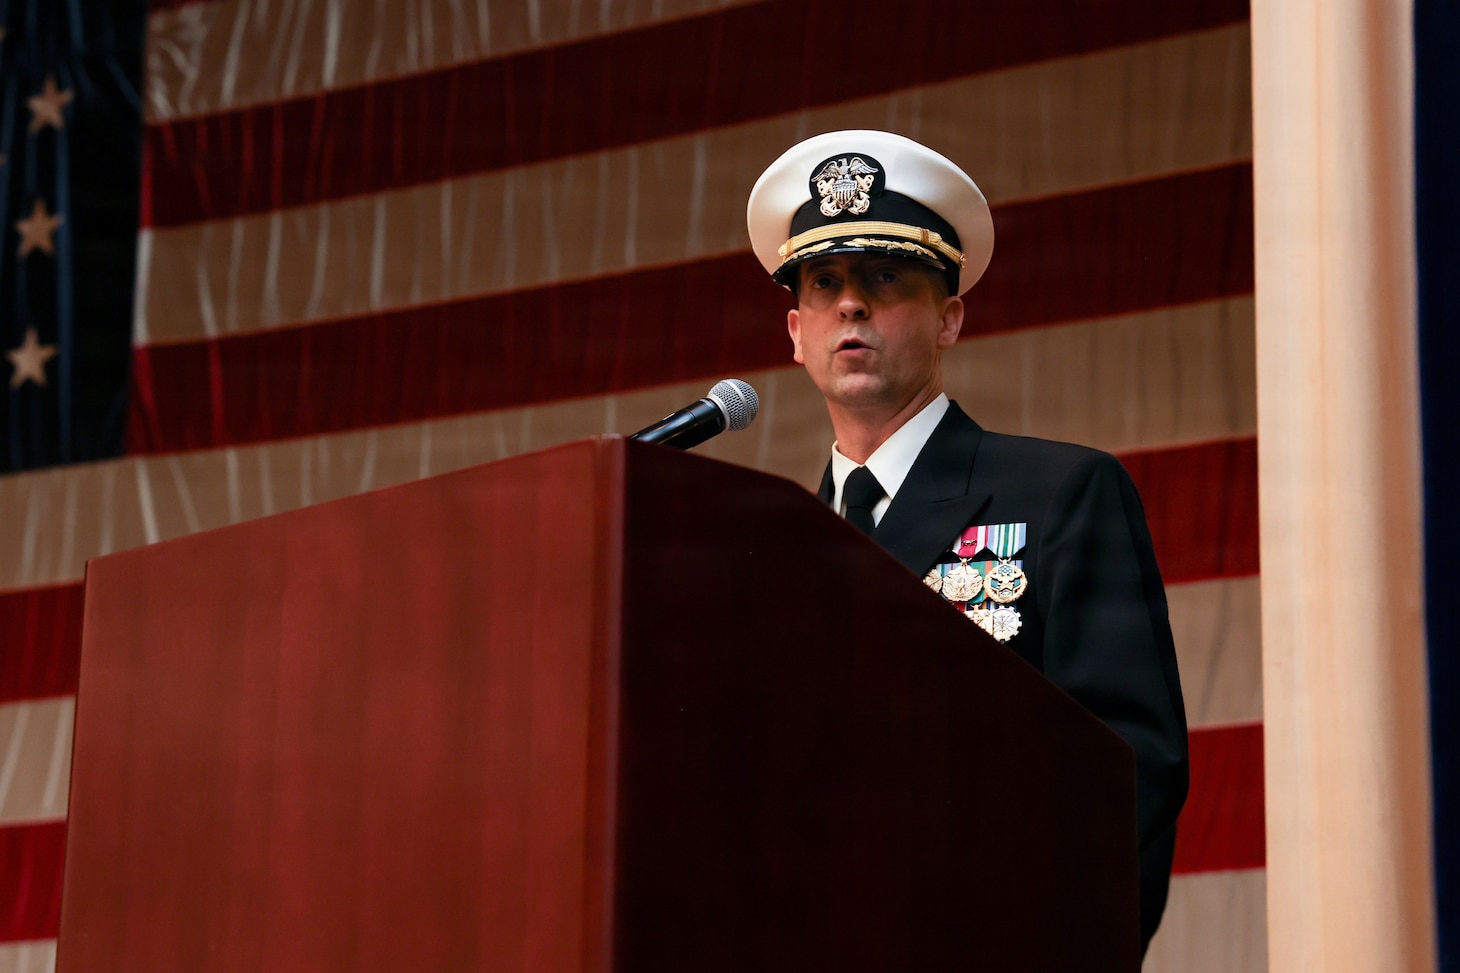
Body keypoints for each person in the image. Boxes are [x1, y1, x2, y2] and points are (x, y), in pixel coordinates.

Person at [746, 130, 1189, 953]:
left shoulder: (1063, 495)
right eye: (826, 282)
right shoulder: (771, 561)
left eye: (885, 278)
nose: (852, 304)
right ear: (795, 330)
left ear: (950, 318)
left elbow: (1134, 772)